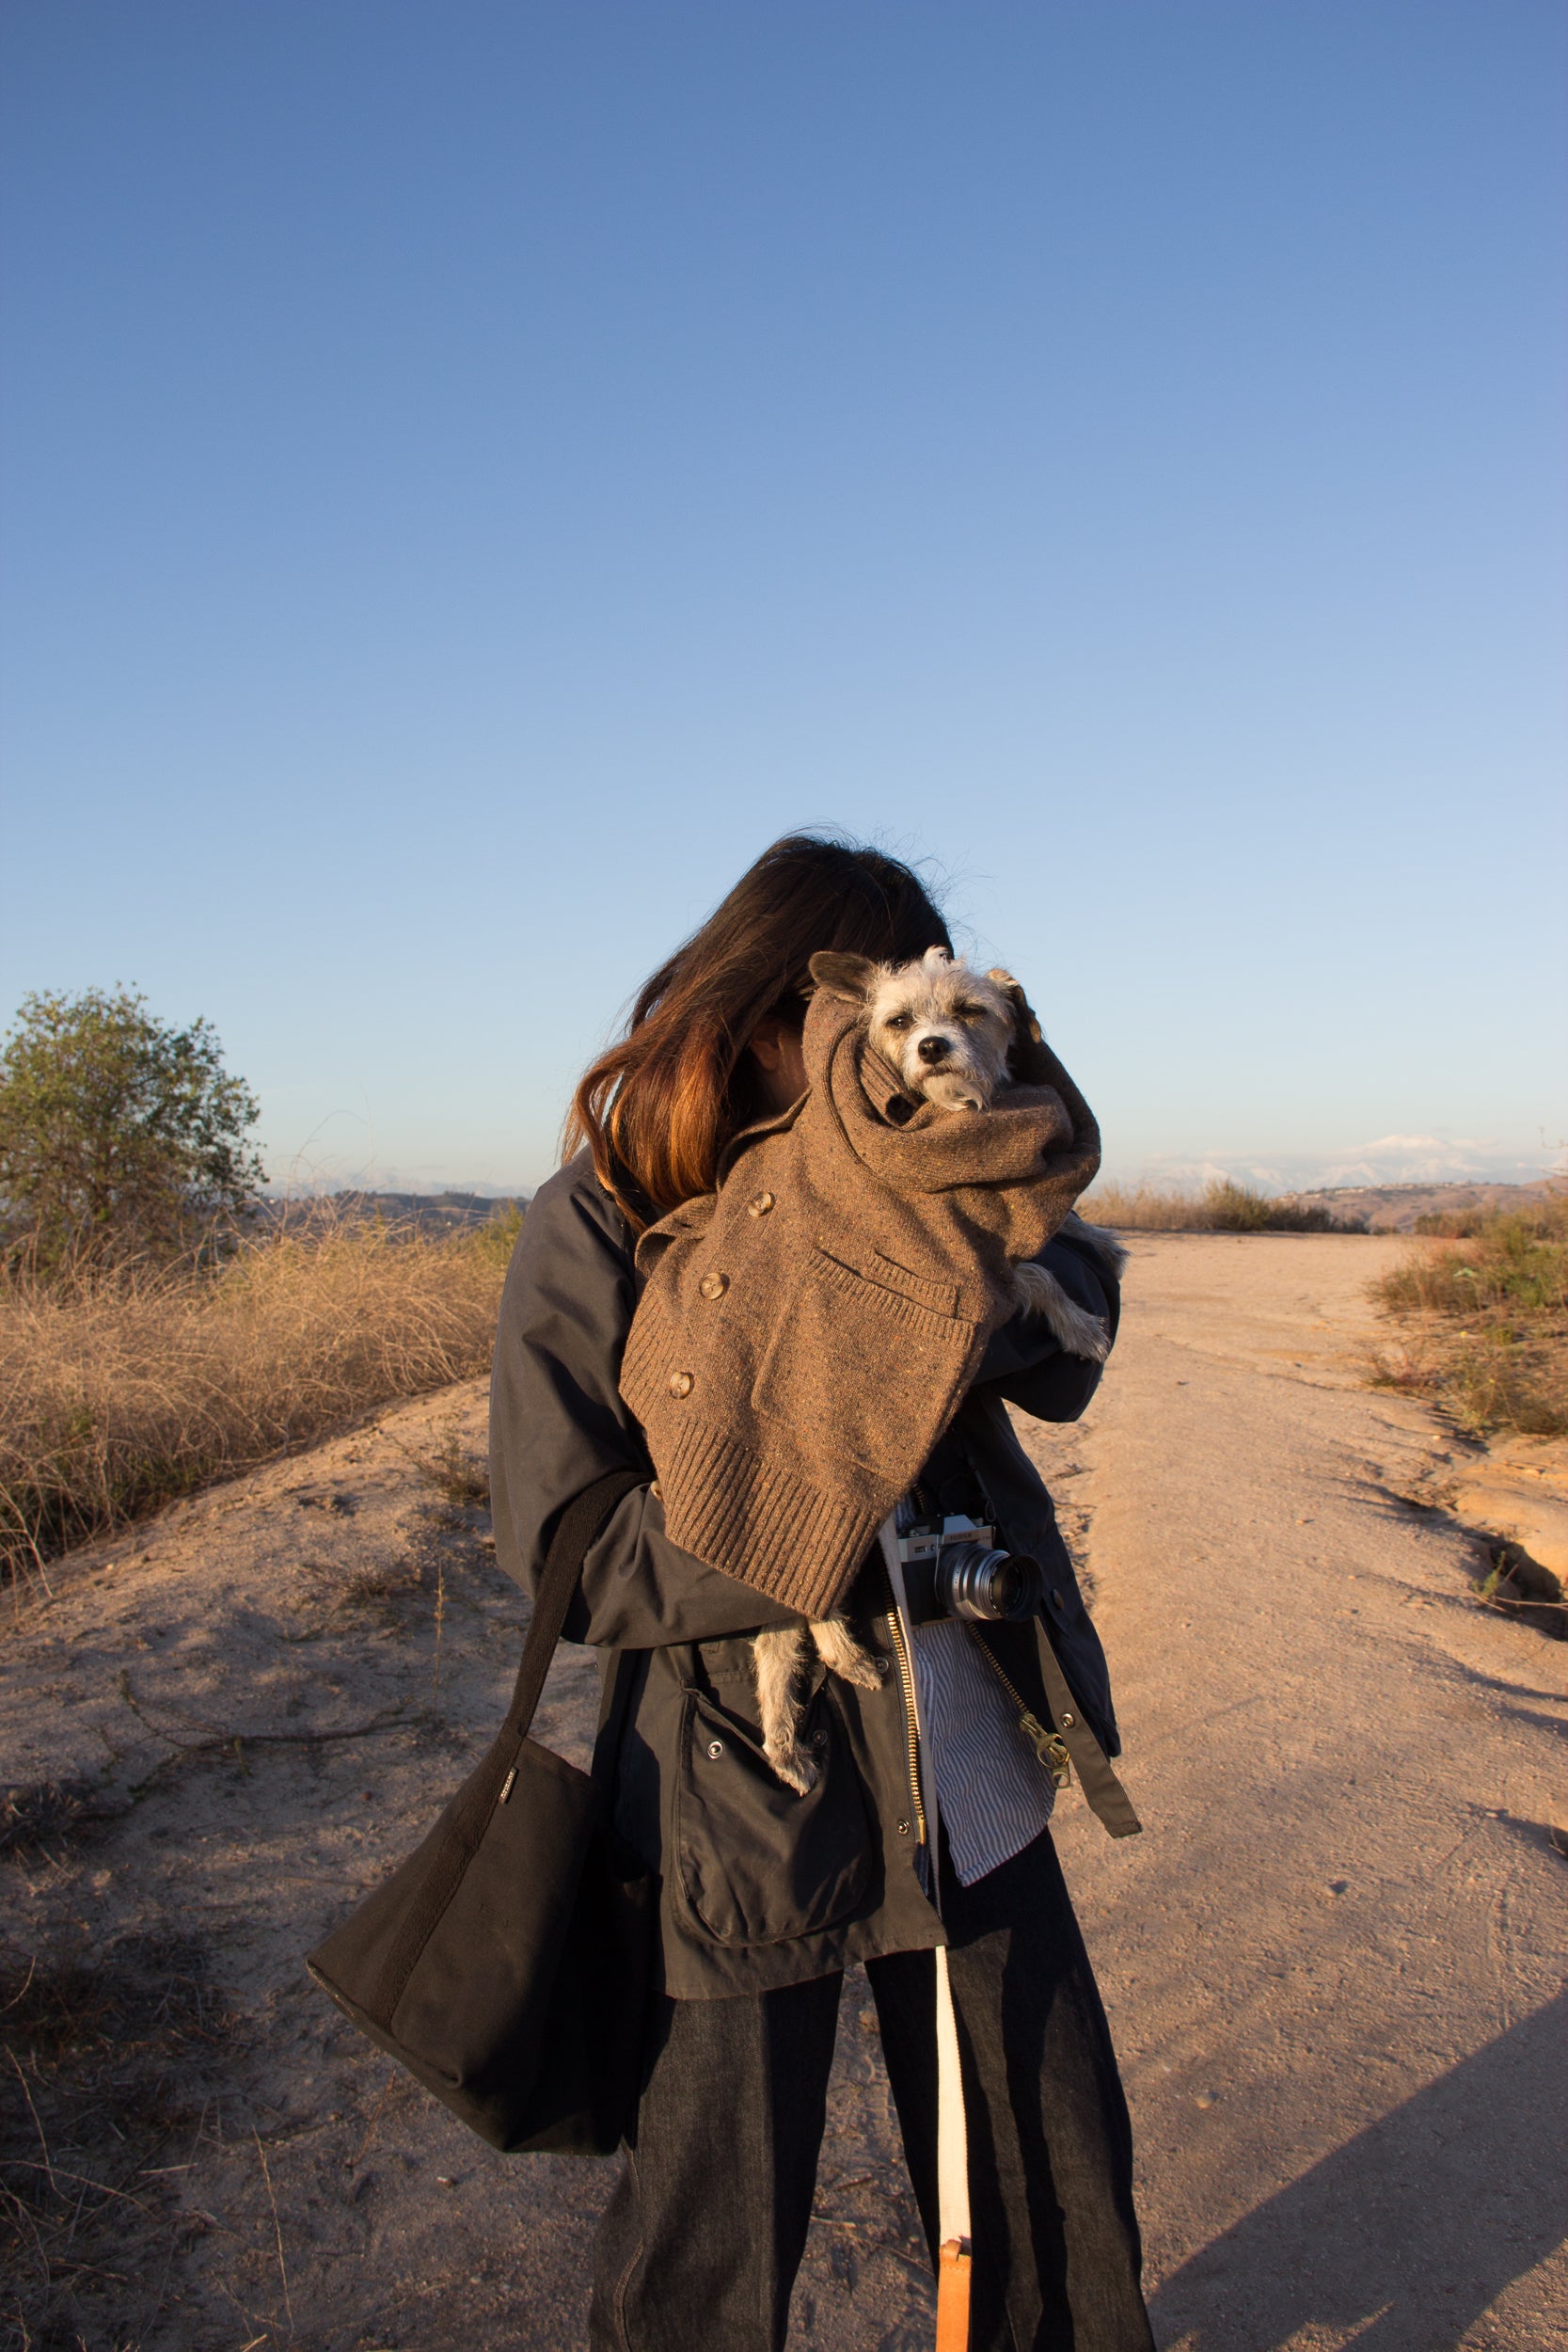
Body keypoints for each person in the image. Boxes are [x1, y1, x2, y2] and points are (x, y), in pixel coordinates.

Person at [489, 833, 1154, 2352]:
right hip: (735, 1785)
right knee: (705, 2244)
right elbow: (570, 1552)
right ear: (778, 1003)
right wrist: (816, 1486)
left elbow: (1076, 1330)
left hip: (965, 1755)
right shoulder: (600, 1210)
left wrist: (959, 1299)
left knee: (1050, 2195)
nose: (888, 1055)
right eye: (859, 1018)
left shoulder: (929, 1180)